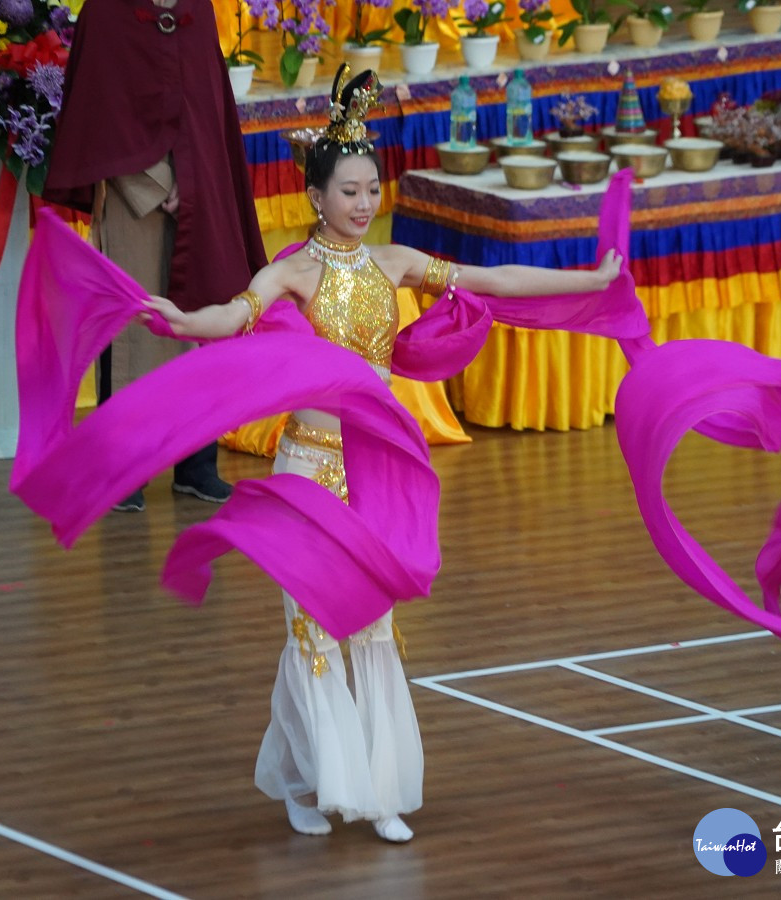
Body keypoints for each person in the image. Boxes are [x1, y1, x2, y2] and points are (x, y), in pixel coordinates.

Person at [141, 66, 623, 843]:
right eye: (350, 191)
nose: (364, 203)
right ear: (316, 197)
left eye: (372, 189)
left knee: (368, 627)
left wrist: (589, 279)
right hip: (305, 472)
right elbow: (233, 316)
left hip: (371, 473)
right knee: (312, 627)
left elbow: (492, 279)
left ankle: (368, 787)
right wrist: (178, 322)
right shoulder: (294, 272)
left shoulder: (392, 264)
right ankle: (324, 784)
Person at [43, 0, 268, 510]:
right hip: (132, 196)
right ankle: (123, 471)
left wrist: (196, 180)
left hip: (197, 191)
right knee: (134, 328)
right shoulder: (106, 12)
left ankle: (196, 464)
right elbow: (101, 113)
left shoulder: (197, 9)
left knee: (201, 317)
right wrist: (159, 183)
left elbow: (209, 109)